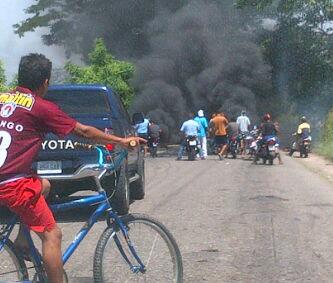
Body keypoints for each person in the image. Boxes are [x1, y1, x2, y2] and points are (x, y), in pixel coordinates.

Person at [0, 53, 145, 283]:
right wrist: (121, 141)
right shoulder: (40, 107)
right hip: (12, 184)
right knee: (52, 235)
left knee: (44, 185)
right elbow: (84, 131)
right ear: (45, 82)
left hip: (9, 180)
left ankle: (23, 241)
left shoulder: (3, 98)